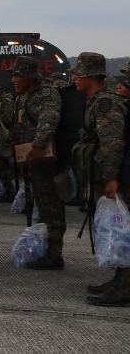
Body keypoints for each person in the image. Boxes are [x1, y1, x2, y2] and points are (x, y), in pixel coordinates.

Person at [72, 53, 130, 306]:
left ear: (89, 76)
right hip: (108, 173)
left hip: (118, 176)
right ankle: (120, 281)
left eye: (78, 74)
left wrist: (111, 178)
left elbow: (112, 143)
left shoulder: (106, 103)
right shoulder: (96, 100)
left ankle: (125, 288)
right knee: (118, 231)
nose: (74, 78)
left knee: (124, 232)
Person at [11, 56, 65, 270]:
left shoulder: (47, 94)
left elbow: (49, 120)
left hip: (45, 159)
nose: (13, 79)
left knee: (51, 207)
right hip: (32, 159)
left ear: (28, 76)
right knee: (43, 206)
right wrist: (23, 161)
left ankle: (54, 255)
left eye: (17, 75)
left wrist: (39, 145)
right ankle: (44, 250)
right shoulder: (22, 97)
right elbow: (19, 127)